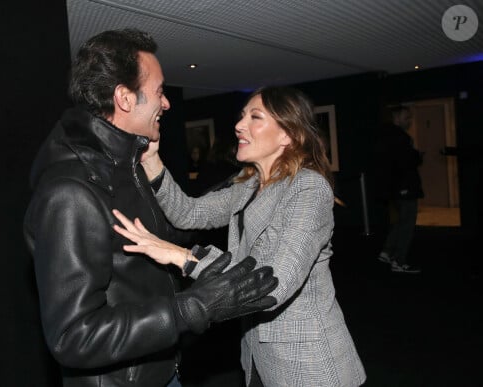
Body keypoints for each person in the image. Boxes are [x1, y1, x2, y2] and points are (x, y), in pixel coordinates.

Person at [22, 28, 279, 387]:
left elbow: (159, 241)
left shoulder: (126, 164)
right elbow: (73, 337)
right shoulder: (71, 191)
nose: (167, 103)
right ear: (125, 99)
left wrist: (195, 261)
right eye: (159, 92)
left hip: (156, 368)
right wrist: (193, 307)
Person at [113, 86, 366, 387]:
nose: (239, 125)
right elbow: (188, 213)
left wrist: (183, 257)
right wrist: (152, 161)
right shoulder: (248, 186)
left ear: (288, 135)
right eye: (242, 115)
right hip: (258, 354)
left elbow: (274, 282)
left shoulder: (308, 189)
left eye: (255, 117)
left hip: (308, 362)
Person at [373, 105, 423, 273]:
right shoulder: (400, 137)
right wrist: (416, 155)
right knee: (407, 223)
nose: (409, 121)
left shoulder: (384, 135)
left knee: (400, 221)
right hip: (404, 187)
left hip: (394, 187)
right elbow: (405, 163)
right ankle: (399, 261)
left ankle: (387, 252)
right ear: (397, 117)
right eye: (406, 117)